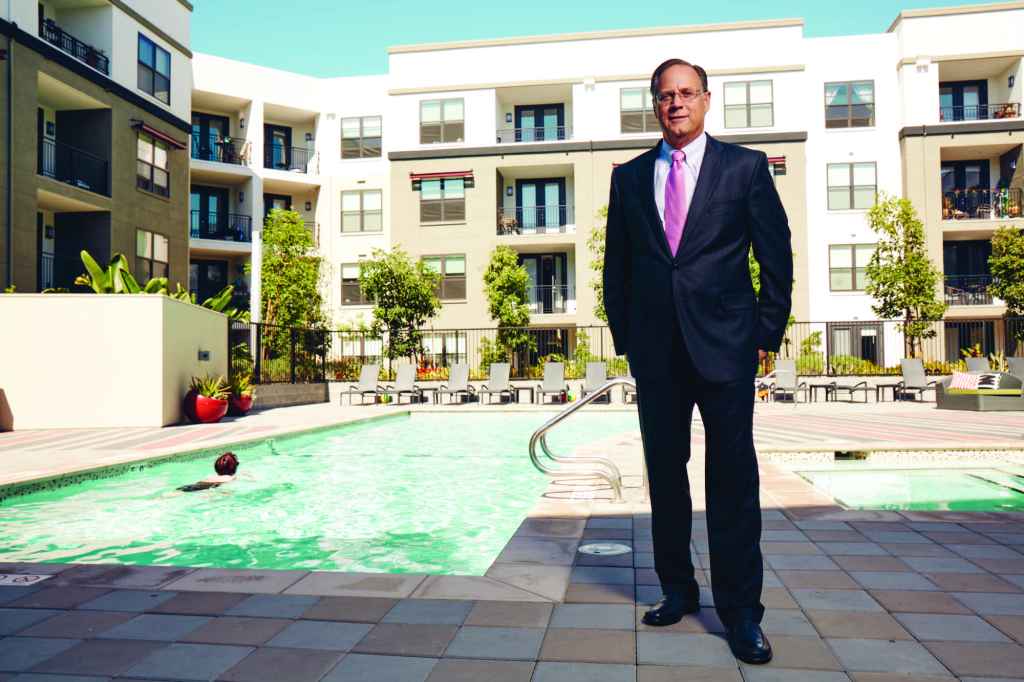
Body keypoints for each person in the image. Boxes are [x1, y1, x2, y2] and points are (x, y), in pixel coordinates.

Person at [602, 58, 792, 664]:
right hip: (657, 351)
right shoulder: (629, 178)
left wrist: (765, 331)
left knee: (733, 479)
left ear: (706, 100)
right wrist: (626, 337)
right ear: (653, 105)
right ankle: (677, 589)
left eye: (686, 93)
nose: (675, 103)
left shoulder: (745, 167)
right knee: (665, 474)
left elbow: (776, 252)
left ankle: (741, 614)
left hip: (727, 346)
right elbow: (618, 265)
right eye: (665, 95)